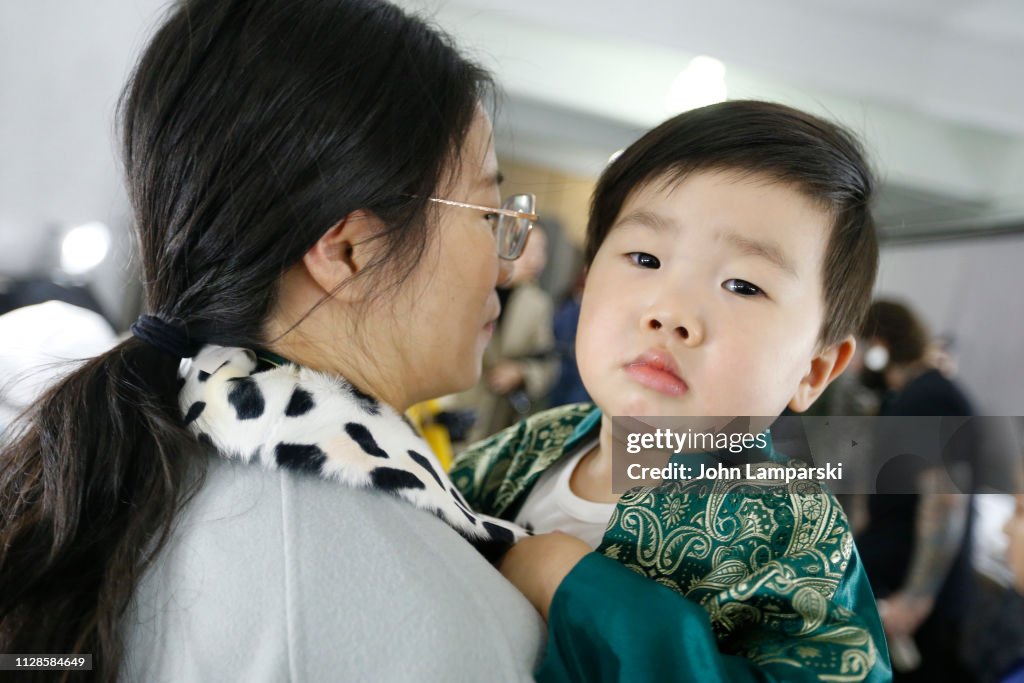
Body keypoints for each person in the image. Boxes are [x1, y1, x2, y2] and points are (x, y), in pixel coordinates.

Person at [0, 1, 548, 680]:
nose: (505, 260)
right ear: (349, 249)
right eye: (489, 211)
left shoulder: (124, 472)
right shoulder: (400, 603)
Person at [451, 100, 892, 682]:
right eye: (645, 257)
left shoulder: (798, 533)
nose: (670, 312)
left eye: (742, 285)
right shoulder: (527, 447)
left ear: (813, 370)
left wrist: (572, 584)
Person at [856, 300, 978, 682]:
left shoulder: (931, 397)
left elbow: (945, 501)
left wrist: (914, 600)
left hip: (912, 610)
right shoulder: (907, 398)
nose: (854, 363)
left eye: (858, 348)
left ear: (879, 344)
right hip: (892, 590)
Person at [448, 225, 558, 445]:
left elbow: (547, 362)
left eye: (541, 251)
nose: (536, 259)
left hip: (495, 419)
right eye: (528, 248)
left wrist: (520, 372)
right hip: (452, 402)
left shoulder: (538, 304)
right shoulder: (468, 286)